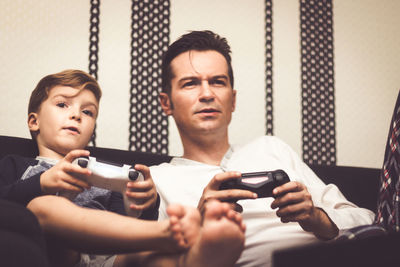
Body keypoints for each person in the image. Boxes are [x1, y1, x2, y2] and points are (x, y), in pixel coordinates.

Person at [149, 30, 376, 266]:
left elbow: (369, 221)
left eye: (218, 82)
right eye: (190, 84)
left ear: (233, 99)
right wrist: (197, 227)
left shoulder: (271, 148)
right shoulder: (155, 180)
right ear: (167, 103)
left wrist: (319, 219)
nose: (207, 94)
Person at [0, 69, 245, 267]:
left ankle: (197, 259)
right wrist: (41, 182)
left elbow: (124, 223)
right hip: (59, 255)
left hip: (109, 259)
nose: (76, 115)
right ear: (34, 121)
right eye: (63, 105)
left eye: (88, 112)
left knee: (145, 257)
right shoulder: (15, 164)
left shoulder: (109, 173)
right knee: (44, 206)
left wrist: (144, 202)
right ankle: (167, 234)